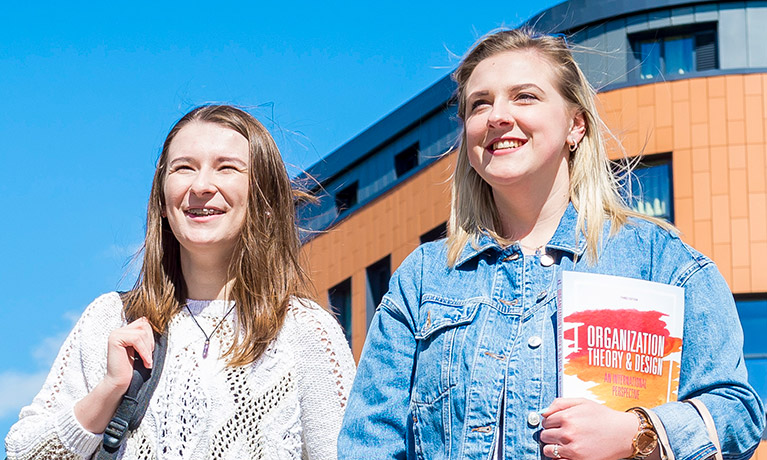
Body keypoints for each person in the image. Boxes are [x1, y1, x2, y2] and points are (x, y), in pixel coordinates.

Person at [338, 29, 764, 460]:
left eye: (524, 96)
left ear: (575, 125)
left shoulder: (662, 263)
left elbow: (740, 415)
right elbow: (368, 445)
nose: (496, 116)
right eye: (479, 103)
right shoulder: (423, 278)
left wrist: (637, 432)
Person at [5, 104, 355, 460]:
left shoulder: (306, 331)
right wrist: (109, 391)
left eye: (227, 168)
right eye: (184, 168)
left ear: (265, 199)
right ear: (161, 198)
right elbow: (22, 453)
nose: (200, 186)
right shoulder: (110, 319)